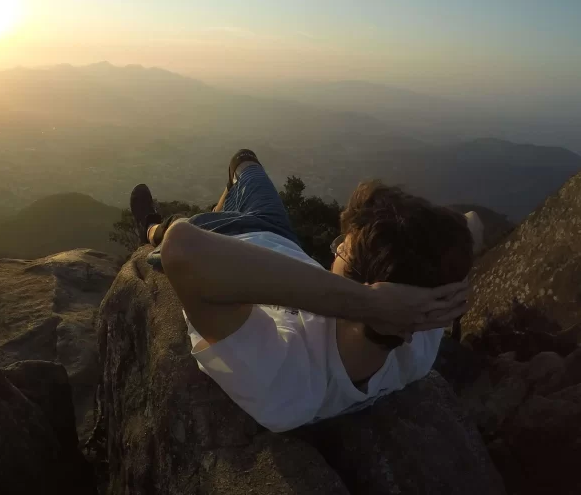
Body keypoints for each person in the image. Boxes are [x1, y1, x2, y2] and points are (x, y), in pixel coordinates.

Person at [129, 149, 476, 432]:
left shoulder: (290, 387)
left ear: (374, 294)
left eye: (343, 250)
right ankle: (215, 208)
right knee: (244, 160)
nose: (334, 246)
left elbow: (185, 251)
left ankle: (149, 228)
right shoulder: (418, 343)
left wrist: (371, 304)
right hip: (278, 234)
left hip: (222, 240)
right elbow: (472, 223)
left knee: (175, 230)